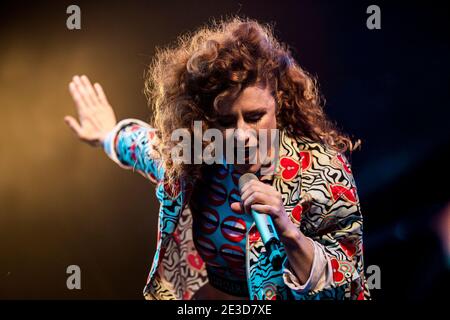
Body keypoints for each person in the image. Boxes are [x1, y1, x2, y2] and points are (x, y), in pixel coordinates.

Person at [64, 17, 370, 300]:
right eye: (225, 122)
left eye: (255, 116)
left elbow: (348, 286)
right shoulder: (193, 161)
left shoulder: (322, 170)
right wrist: (107, 134)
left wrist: (289, 234)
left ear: (278, 102)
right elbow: (144, 147)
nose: (242, 136)